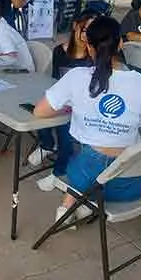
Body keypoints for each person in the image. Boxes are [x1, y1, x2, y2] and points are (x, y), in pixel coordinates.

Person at [33, 16, 141, 225]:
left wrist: (74, 107)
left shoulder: (76, 77)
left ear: (88, 46)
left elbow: (39, 112)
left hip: (87, 178)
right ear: (120, 43)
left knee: (84, 154)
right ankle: (80, 204)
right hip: (134, 185)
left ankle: (71, 205)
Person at [29, 10, 97, 191]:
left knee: (66, 131)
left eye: (92, 31)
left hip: (83, 106)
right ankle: (47, 145)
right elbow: (54, 81)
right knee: (37, 110)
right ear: (75, 26)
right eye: (84, 29)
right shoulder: (60, 51)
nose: (87, 36)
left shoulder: (95, 55)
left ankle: (59, 173)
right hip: (63, 99)